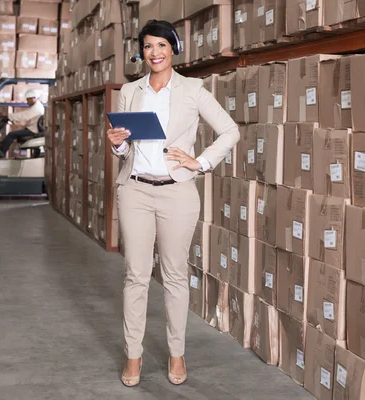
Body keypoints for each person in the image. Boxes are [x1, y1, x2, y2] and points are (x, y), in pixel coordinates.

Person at [107, 19, 240, 387]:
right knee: (135, 275)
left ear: (174, 48)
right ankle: (133, 356)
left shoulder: (193, 90)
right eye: (148, 47)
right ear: (142, 51)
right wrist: (117, 142)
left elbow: (231, 130)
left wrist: (201, 161)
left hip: (176, 191)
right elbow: (124, 151)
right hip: (134, 189)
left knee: (174, 275)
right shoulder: (130, 91)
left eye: (162, 46)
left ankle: (176, 353)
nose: (155, 53)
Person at [0, 89, 44, 157]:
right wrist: (13, 120)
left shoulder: (36, 108)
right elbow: (26, 117)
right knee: (15, 133)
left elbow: (24, 115)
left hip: (32, 131)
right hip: (32, 128)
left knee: (11, 135)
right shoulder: (36, 106)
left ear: (34, 98)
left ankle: (0, 153)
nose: (27, 102)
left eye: (28, 99)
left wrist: (9, 116)